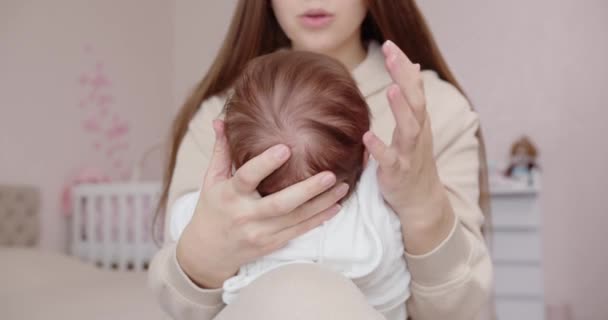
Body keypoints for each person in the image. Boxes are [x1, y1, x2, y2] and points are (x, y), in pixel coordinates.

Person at [149, 1, 493, 319]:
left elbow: (460, 308)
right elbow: (176, 305)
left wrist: (422, 204)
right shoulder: (219, 117)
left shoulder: (437, 110)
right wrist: (206, 251)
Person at [169, 50, 411, 320]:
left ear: (237, 163)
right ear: (366, 156)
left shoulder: (226, 217)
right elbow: (396, 286)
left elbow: (181, 221)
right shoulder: (374, 218)